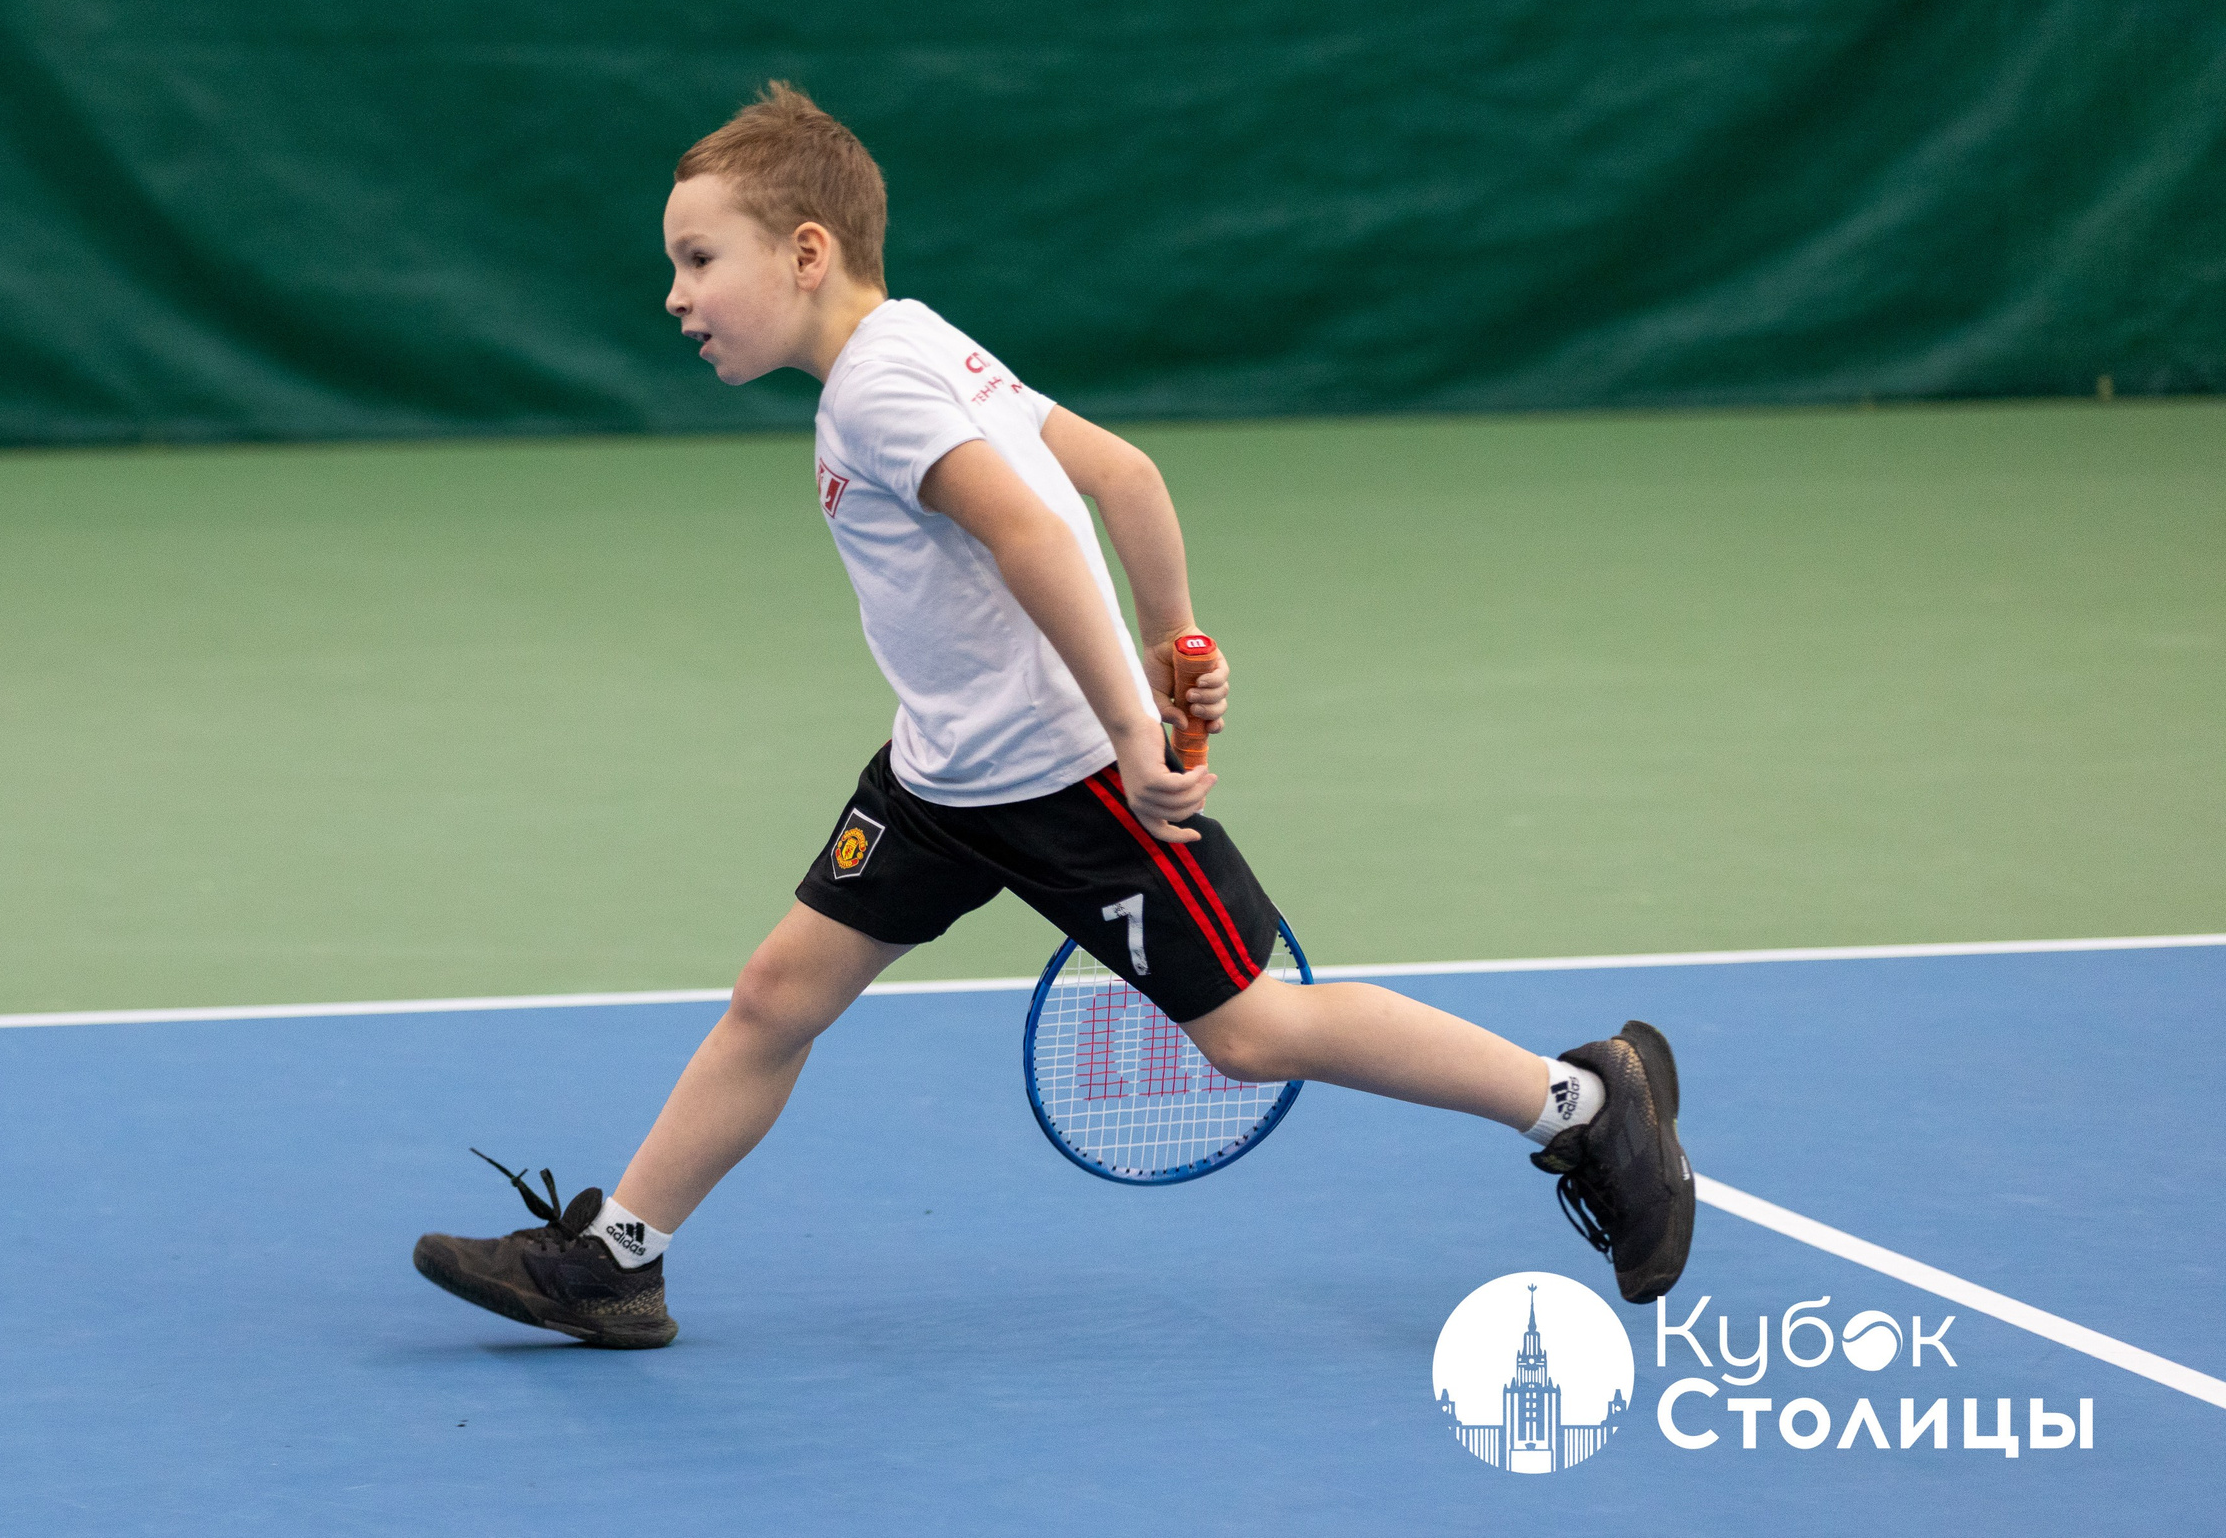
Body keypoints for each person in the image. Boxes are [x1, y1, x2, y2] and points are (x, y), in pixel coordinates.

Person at [414, 85, 1693, 1347]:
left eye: (699, 260)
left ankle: (1582, 1099)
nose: (676, 295)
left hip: (1066, 782)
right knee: (775, 996)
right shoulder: (917, 339)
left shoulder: (875, 386)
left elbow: (1029, 524)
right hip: (939, 780)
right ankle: (615, 1263)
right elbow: (1123, 473)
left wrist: (1139, 726)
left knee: (1249, 1032)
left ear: (807, 254)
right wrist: (1173, 637)